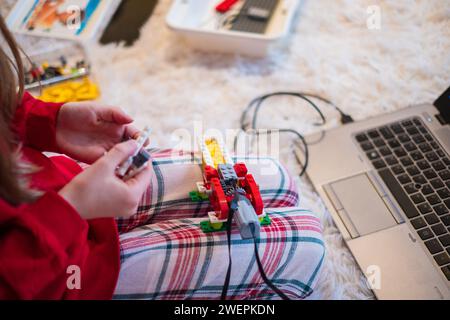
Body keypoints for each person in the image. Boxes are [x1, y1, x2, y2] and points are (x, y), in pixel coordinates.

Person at [0, 15, 325, 300]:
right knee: (308, 243)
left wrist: (44, 122)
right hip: (66, 278)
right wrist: (71, 210)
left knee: (278, 177)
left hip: (60, 191)